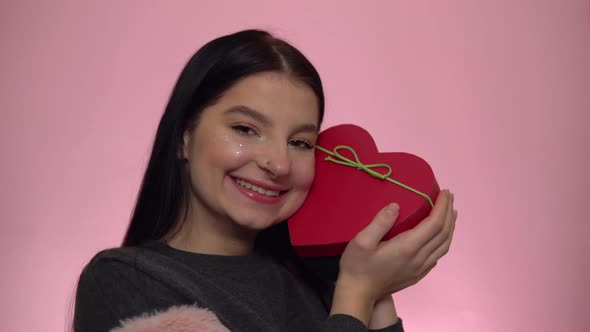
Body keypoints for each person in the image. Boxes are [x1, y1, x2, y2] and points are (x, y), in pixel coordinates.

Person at [73, 29, 457, 332]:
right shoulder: (126, 280)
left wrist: (374, 292)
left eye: (300, 142)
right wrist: (356, 293)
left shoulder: (318, 281)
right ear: (183, 138)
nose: (279, 164)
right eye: (245, 129)